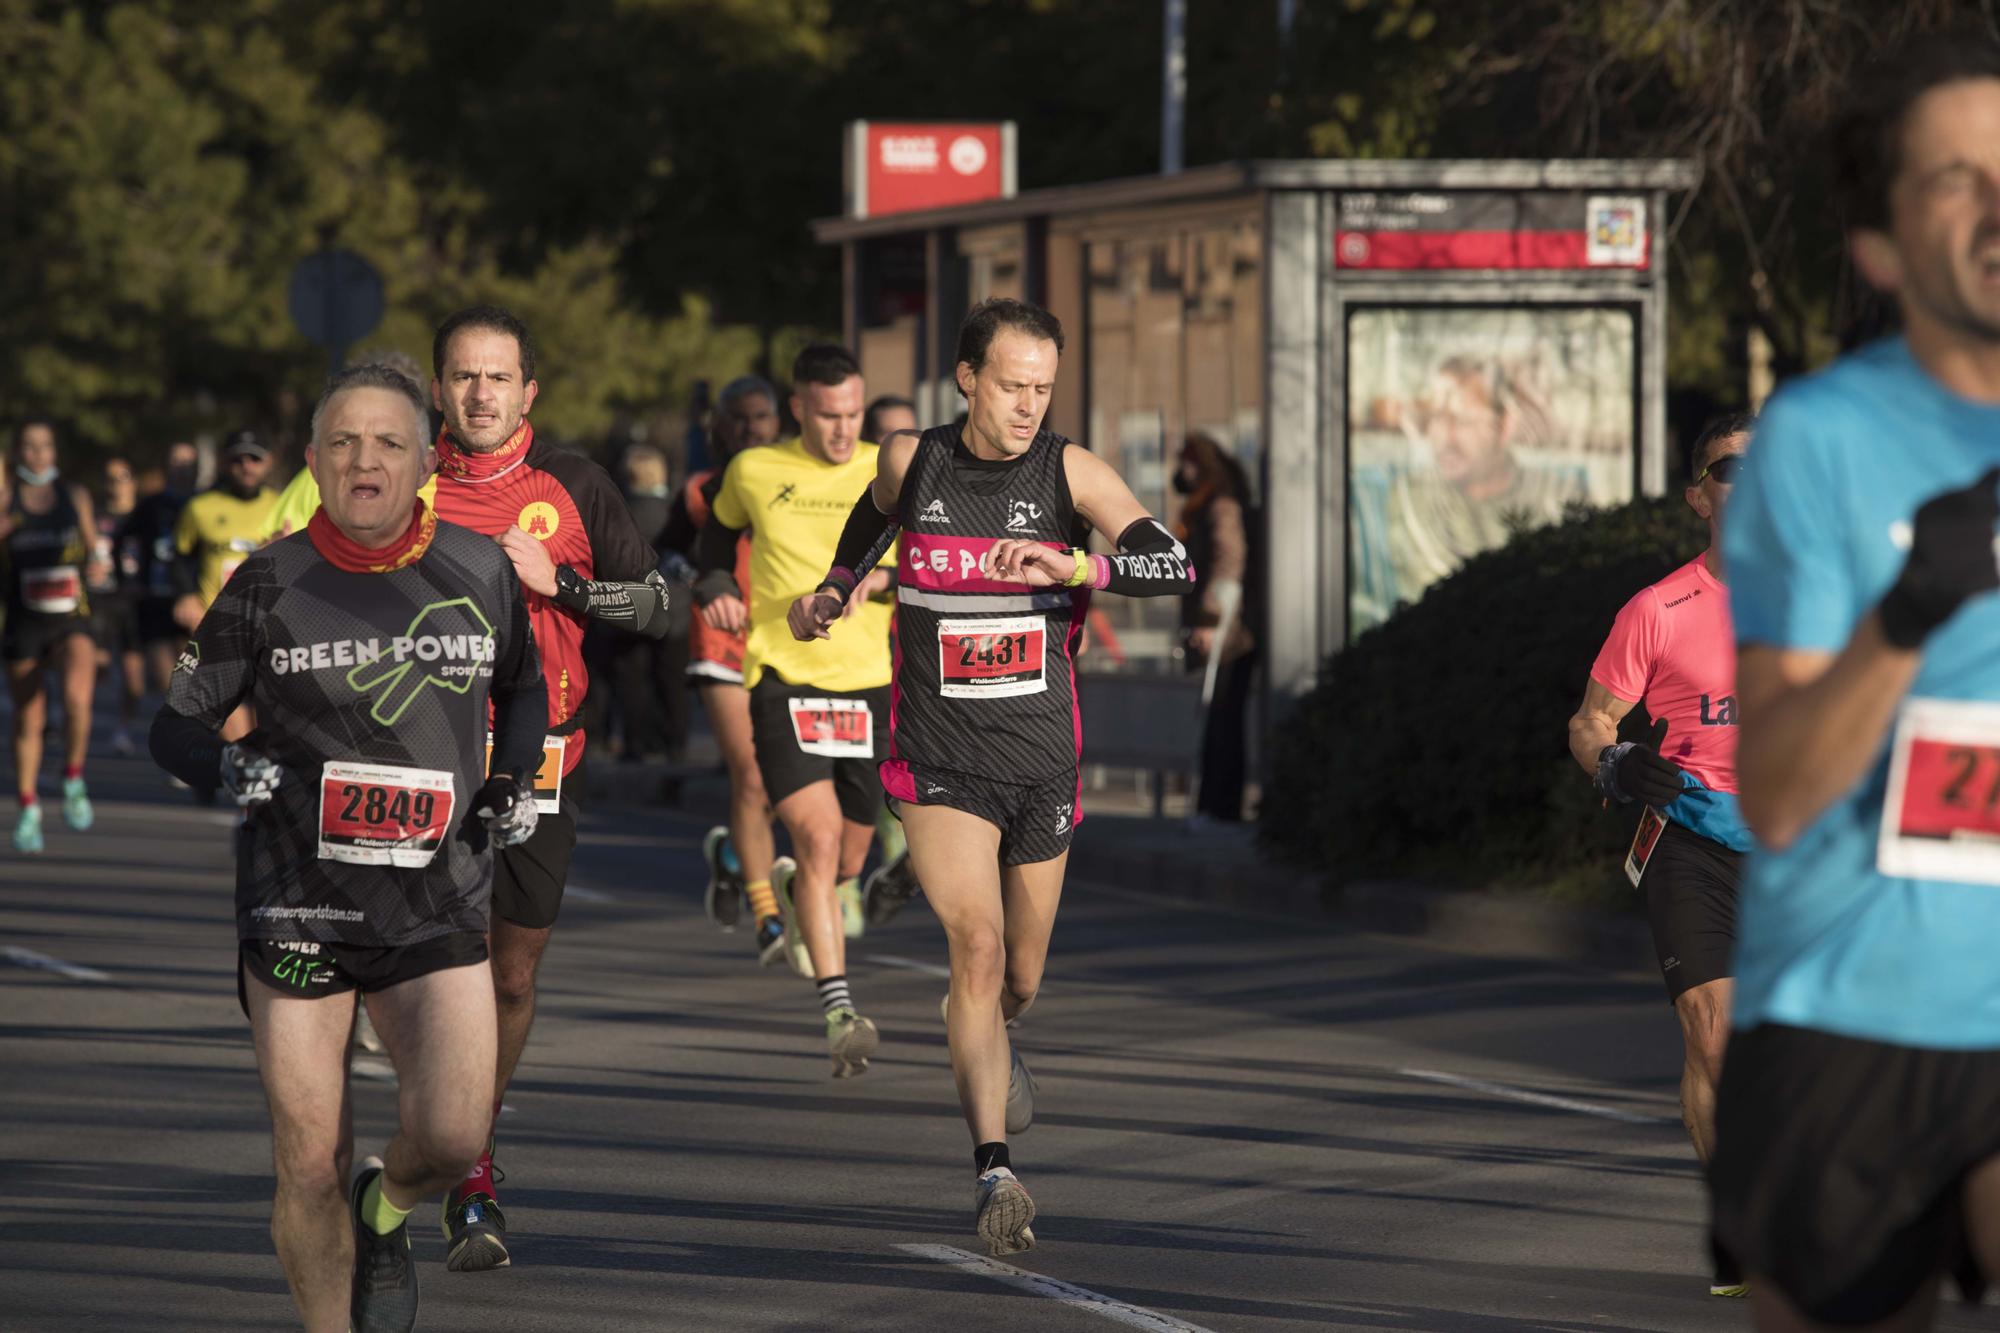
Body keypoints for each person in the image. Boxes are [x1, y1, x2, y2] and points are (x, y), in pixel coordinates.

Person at [790, 297, 1197, 1254]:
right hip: (938, 758)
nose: (1028, 405)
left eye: (1044, 388)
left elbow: (1172, 564)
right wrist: (838, 589)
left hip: (1040, 759)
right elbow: (871, 520)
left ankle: (987, 1028)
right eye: (1013, 385)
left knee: (1017, 974)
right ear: (968, 377)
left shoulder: (1070, 472)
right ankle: (996, 1166)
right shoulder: (911, 459)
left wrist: (1082, 566)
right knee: (972, 947)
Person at [148, 363, 547, 1333]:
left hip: (434, 898)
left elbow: (523, 688)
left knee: (452, 1134)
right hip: (298, 901)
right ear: (315, 462)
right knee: (307, 1158)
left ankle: (389, 1208)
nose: (364, 459)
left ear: (423, 461)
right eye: (342, 442)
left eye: (388, 442)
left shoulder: (479, 568)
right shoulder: (268, 579)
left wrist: (511, 778)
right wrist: (235, 771)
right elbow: (176, 725)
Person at [1709, 34, 2000, 1332]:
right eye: (1955, 178)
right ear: (1884, 248)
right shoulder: (1823, 442)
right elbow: (1770, 795)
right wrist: (1909, 611)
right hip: (1849, 1007)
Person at [426, 304, 675, 1271]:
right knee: (428, 968)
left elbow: (657, 607)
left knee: (511, 974)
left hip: (541, 762)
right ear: (439, 387)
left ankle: (473, 1146)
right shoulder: (403, 482)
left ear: (528, 390)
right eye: (462, 375)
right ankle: (451, 1154)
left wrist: (563, 585)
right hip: (426, 755)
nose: (480, 393)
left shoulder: (572, 484)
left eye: (499, 377)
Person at [1568, 413, 1754, 1301]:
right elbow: (1589, 720)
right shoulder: (1658, 609)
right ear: (1699, 496)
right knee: (1712, 1038)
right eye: (1729, 471)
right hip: (1692, 836)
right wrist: (1614, 759)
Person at [694, 345, 894, 1073]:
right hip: (785, 675)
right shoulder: (755, 471)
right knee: (813, 837)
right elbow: (713, 541)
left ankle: (799, 889)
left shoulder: (888, 467)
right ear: (799, 409)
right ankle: (839, 1009)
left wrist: (886, 579)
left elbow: (927, 552)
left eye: (852, 415)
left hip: (869, 680)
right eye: (828, 416)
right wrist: (714, 585)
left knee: (849, 855)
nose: (843, 432)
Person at [659, 375, 786, 957]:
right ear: (719, 428)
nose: (751, 428)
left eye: (761, 417)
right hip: (723, 642)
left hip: (790, 641)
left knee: (785, 783)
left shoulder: (799, 479)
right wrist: (695, 582)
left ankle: (732, 855)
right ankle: (768, 917)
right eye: (739, 418)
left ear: (778, 422)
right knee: (753, 774)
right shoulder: (699, 491)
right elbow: (664, 550)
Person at [2, 421, 104, 853]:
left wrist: (97, 565)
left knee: (79, 698)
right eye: (30, 447)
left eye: (45, 446)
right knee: (30, 718)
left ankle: (73, 776)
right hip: (24, 621)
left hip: (71, 616)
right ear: (18, 453)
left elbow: (94, 546)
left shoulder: (73, 496)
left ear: (55, 451)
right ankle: (28, 807)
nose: (38, 455)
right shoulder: (7, 501)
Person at [173, 429, 279, 745]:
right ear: (223, 463)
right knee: (227, 709)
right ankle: (241, 768)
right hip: (214, 624)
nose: (246, 466)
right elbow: (178, 557)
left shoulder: (282, 507)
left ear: (268, 462)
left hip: (267, 626)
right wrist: (186, 595)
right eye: (238, 459)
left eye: (254, 458)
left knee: (268, 713)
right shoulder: (200, 508)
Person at [1172, 432, 1258, 822]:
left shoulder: (1220, 503)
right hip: (1221, 628)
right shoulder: (1205, 503)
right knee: (1217, 718)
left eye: (1187, 463)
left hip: (1229, 633)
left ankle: (1223, 805)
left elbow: (1229, 561)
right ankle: (1213, 802)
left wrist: (1210, 620)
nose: (1181, 472)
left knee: (1224, 715)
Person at [118, 440, 200, 700]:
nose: (182, 468)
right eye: (176, 461)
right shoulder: (150, 506)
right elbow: (122, 541)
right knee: (171, 686)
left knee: (194, 681)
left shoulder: (207, 504)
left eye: (188, 462)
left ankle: (199, 737)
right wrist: (128, 579)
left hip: (198, 603)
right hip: (156, 601)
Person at [92, 455, 148, 755]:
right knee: (95, 666)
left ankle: (123, 728)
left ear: (133, 481)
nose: (115, 484)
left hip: (132, 600)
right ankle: (74, 717)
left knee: (134, 678)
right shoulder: (94, 515)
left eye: (122, 477)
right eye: (109, 478)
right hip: (100, 598)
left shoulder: (143, 516)